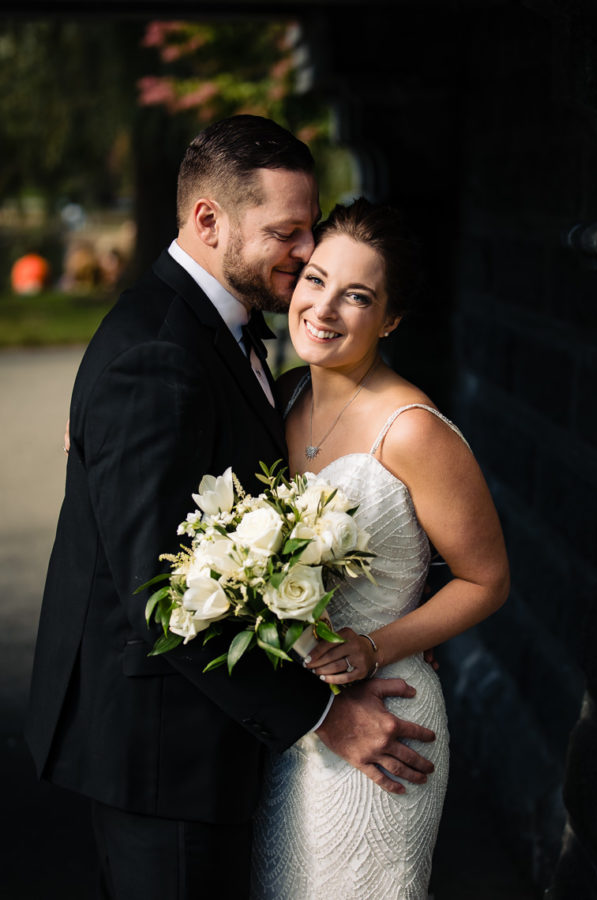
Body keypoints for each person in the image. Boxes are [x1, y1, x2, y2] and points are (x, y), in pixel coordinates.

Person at [25, 117, 437, 900]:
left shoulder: (231, 328)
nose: (308, 249)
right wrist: (324, 716)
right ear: (208, 220)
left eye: (308, 227)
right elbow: (162, 590)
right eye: (285, 231)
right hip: (161, 749)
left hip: (210, 733)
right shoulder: (157, 353)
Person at [251, 198, 510, 899]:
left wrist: (376, 644)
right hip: (297, 717)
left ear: (391, 320)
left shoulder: (413, 430)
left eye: (357, 296)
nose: (325, 309)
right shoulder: (280, 397)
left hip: (385, 714)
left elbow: (486, 579)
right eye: (316, 280)